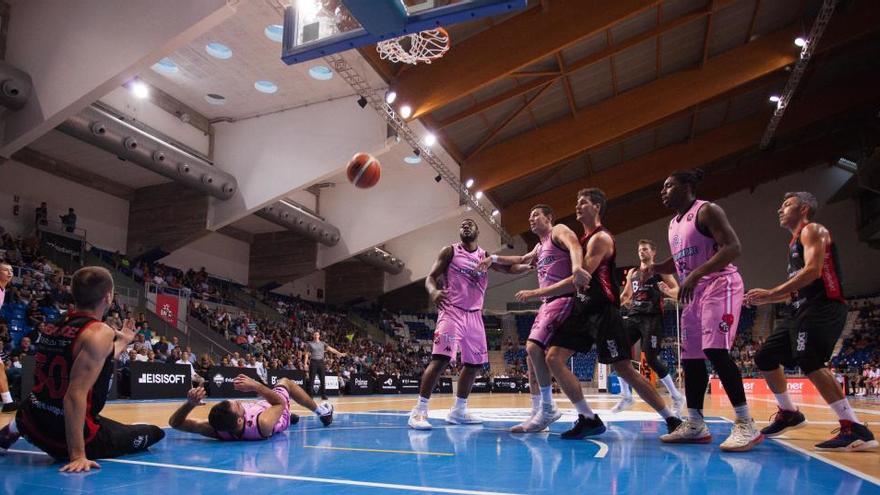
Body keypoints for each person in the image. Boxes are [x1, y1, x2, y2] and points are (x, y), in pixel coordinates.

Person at [517, 189, 682, 439]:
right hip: (583, 311)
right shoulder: (581, 240)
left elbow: (577, 279)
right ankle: (588, 417)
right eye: (576, 202)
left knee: (625, 369)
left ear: (597, 207)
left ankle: (671, 418)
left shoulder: (600, 239)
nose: (577, 206)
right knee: (553, 358)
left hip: (604, 311)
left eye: (582, 203)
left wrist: (535, 292)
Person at [746, 191, 877, 451]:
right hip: (799, 310)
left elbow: (813, 271)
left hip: (823, 306)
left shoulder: (813, 230)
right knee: (765, 357)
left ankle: (854, 428)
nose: (780, 209)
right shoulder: (794, 243)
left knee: (810, 359)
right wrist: (766, 299)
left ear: (803, 208)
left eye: (787, 205)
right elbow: (797, 286)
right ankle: (789, 413)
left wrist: (771, 292)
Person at [0, 266, 165, 471]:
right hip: (62, 437)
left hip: (31, 418)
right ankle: (74, 445)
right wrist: (77, 455)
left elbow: (95, 362)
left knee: (46, 401)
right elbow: (74, 396)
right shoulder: (99, 331)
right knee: (154, 432)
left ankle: (14, 428)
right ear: (108, 297)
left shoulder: (55, 323)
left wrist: (123, 342)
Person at [654, 169, 762, 452]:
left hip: (720, 284)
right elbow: (676, 262)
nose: (662, 191)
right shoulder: (673, 224)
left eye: (668, 185)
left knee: (715, 350)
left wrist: (694, 275)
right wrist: (652, 270)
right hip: (694, 293)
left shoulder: (707, 210)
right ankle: (695, 424)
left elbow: (733, 247)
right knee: (690, 358)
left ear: (687, 186)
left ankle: (745, 423)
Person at [408, 219, 531, 430]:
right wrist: (434, 291)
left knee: (474, 365)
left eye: (469, 224)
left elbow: (510, 269)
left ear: (478, 231)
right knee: (441, 360)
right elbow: (430, 277)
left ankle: (459, 410)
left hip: (474, 315)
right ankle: (419, 411)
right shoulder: (450, 252)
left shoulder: (484, 256)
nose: (465, 226)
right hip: (451, 312)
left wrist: (529, 266)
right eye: (462, 224)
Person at [478, 205, 590, 433]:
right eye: (529, 216)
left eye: (536, 215)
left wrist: (577, 267)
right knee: (533, 357)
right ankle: (538, 408)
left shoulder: (558, 230)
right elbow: (520, 259)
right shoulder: (540, 247)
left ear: (549, 217)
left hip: (563, 298)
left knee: (532, 347)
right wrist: (494, 259)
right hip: (548, 303)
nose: (531, 219)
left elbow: (575, 245)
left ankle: (548, 407)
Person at [615, 239, 685, 415]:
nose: (641, 252)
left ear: (653, 252)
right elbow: (626, 295)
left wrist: (667, 291)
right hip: (633, 316)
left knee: (651, 358)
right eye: (639, 249)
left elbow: (678, 291)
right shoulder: (633, 272)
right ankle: (626, 395)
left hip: (652, 318)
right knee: (616, 351)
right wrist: (612, 305)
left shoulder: (661, 271)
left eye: (645, 249)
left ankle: (676, 396)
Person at [169, 375, 333, 440]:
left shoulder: (218, 429)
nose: (238, 402)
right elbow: (279, 404)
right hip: (277, 411)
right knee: (285, 382)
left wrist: (189, 404)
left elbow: (175, 424)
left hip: (263, 409)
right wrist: (256, 386)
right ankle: (322, 412)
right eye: (237, 406)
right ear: (241, 419)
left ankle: (293, 417)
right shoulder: (263, 424)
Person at [0, 262, 19, 412]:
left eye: (11, 270)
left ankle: (8, 402)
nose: (10, 272)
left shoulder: (3, 290)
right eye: (6, 270)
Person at [305, 331, 346, 400]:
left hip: (321, 362)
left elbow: (331, 349)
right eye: (315, 334)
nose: (316, 335)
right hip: (313, 362)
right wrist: (305, 363)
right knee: (311, 379)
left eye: (317, 334)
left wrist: (339, 353)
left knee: (322, 379)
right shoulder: (310, 344)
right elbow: (306, 354)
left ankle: (323, 395)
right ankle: (310, 396)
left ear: (319, 336)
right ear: (313, 336)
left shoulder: (322, 343)